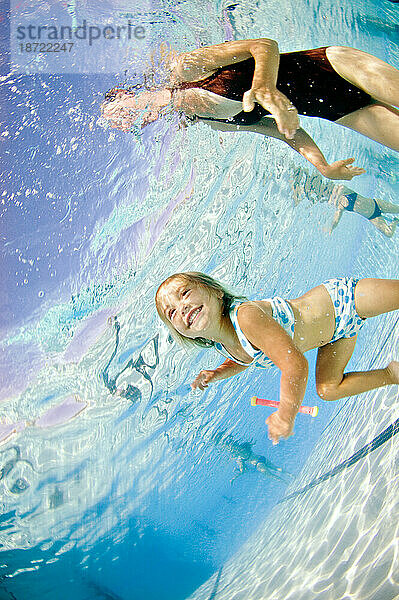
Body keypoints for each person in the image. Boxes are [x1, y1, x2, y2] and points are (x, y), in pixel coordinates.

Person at [101, 39, 399, 180]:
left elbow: (264, 46)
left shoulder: (186, 67)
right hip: (339, 111)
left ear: (128, 94)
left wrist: (264, 86)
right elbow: (286, 135)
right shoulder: (212, 120)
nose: (128, 121)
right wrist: (322, 166)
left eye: (120, 112)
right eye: (124, 125)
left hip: (334, 65)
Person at [155, 272, 399, 444]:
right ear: (179, 331)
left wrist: (286, 414)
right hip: (336, 336)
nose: (182, 307)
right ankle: (392, 374)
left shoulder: (245, 317)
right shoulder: (223, 344)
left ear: (216, 292)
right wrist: (217, 373)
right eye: (172, 312)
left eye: (185, 293)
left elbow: (295, 365)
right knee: (328, 389)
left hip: (344, 301)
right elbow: (244, 359)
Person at [291, 167, 399, 237]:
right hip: (373, 216)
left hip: (377, 204)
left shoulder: (346, 192)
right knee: (389, 233)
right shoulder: (340, 206)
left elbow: (342, 187)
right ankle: (396, 221)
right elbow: (336, 219)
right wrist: (331, 228)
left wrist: (336, 198)